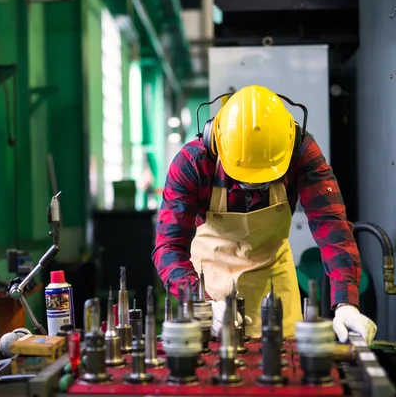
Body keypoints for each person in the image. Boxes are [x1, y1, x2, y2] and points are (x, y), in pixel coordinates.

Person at [152, 85, 377, 344]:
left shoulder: (300, 151)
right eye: (245, 177)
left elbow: (332, 227)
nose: (255, 186)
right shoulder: (193, 162)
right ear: (216, 142)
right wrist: (201, 303)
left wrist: (346, 304)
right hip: (208, 288)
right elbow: (168, 247)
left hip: (274, 284)